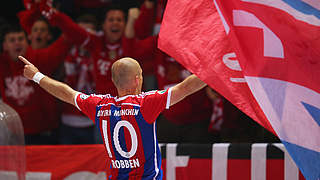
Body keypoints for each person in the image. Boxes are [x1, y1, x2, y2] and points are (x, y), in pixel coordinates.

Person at [19, 55, 207, 179]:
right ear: (137, 79)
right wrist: (216, 66)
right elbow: (185, 87)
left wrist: (36, 76)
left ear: (113, 81)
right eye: (140, 75)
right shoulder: (146, 104)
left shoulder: (100, 106)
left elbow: (67, 93)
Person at [0, 24, 72, 145]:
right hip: (14, 133)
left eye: (21, 39)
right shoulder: (2, 64)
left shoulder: (40, 58)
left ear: (27, 41)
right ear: (5, 46)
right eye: (12, 40)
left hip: (45, 133)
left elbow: (69, 37)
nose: (17, 43)